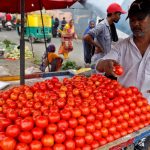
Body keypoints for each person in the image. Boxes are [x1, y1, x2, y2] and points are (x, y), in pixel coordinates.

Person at [96, 0, 150, 102]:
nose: (135, 24)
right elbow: (99, 65)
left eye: (140, 19)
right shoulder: (122, 46)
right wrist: (106, 64)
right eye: (132, 20)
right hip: (124, 108)